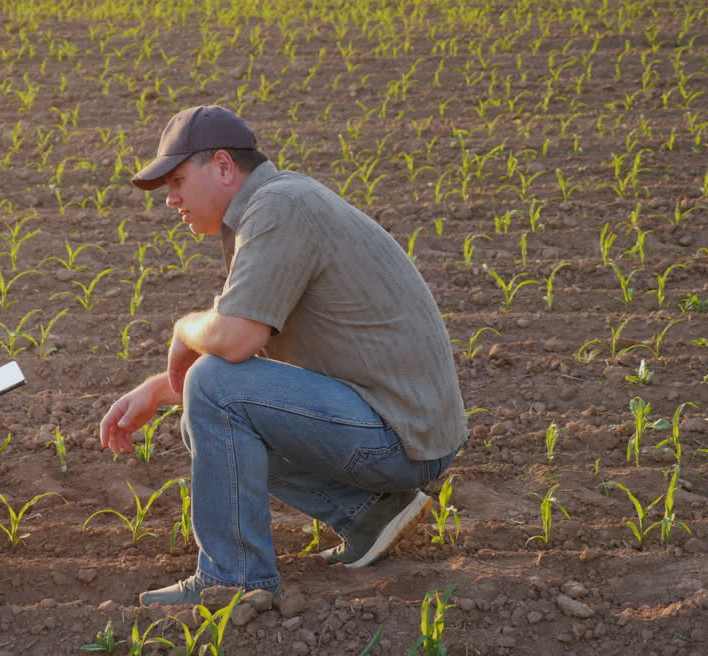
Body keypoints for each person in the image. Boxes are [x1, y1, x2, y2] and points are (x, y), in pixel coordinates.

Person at [99, 106, 466, 606]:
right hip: (401, 424)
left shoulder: (279, 208)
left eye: (178, 180)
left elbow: (230, 344)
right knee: (202, 409)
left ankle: (233, 579)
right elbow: (241, 357)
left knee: (210, 388)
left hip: (399, 435)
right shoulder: (273, 206)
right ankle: (368, 516)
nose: (171, 199)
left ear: (224, 167)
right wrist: (156, 391)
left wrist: (182, 329)